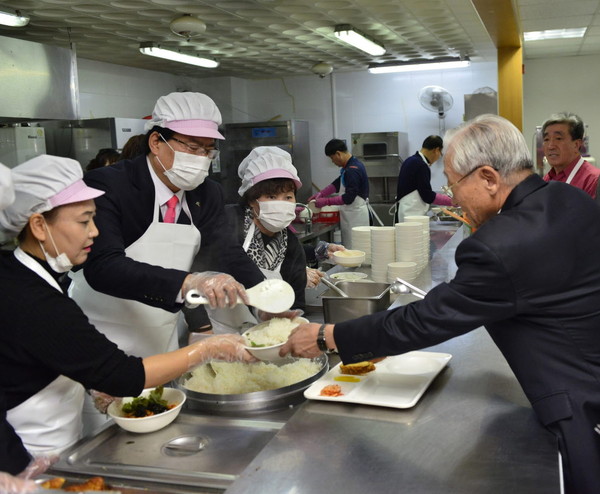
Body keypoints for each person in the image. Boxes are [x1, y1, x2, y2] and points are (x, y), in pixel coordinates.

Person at [282, 114, 600, 494]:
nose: (453, 194)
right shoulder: (566, 196)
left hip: (580, 403)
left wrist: (327, 335)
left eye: (453, 183)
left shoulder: (502, 243)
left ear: (488, 178)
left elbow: (426, 320)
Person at [0, 155, 255, 467]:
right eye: (83, 221)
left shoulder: (27, 276)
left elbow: (38, 355)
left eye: (94, 219)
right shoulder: (32, 299)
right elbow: (123, 375)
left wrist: (91, 379)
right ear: (39, 225)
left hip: (54, 448)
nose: (94, 232)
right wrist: (209, 348)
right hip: (28, 459)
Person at [67, 92, 263, 433]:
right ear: (156, 142)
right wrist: (189, 283)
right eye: (192, 146)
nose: (202, 158)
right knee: (102, 441)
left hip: (161, 341)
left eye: (208, 150)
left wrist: (267, 300)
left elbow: (227, 251)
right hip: (101, 340)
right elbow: (103, 267)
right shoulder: (109, 185)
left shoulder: (207, 193)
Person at [206, 146, 306, 333]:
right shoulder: (228, 220)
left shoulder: (290, 244)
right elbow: (214, 263)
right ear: (252, 200)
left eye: (288, 197)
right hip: (216, 330)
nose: (281, 203)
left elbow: (297, 301)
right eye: (271, 196)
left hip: (265, 334)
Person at [309, 139, 369, 248]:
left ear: (338, 154)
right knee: (351, 249)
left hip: (356, 218)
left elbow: (349, 198)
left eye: (332, 158)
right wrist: (321, 194)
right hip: (350, 216)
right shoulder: (349, 166)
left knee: (356, 249)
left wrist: (326, 201)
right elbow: (337, 184)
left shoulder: (353, 170)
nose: (333, 161)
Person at [394, 135, 452, 223]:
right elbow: (427, 196)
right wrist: (452, 201)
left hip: (406, 212)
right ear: (436, 150)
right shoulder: (420, 165)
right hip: (412, 215)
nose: (438, 157)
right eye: (440, 154)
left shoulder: (410, 160)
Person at [542, 112, 600, 199]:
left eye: (558, 138)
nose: (550, 146)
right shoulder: (546, 179)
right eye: (546, 139)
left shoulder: (594, 181)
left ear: (576, 144)